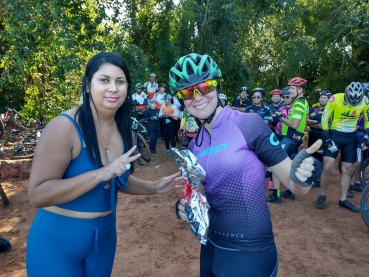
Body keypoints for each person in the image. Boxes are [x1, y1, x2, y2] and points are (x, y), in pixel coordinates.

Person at [26, 52, 183, 277]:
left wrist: (153, 187)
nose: (113, 88)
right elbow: (37, 195)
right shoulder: (64, 127)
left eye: (120, 82)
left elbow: (119, 180)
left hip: (104, 239)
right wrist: (101, 173)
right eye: (104, 80)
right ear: (88, 85)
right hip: (57, 241)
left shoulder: (125, 132)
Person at [169, 53, 322, 277]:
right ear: (182, 99)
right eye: (188, 92)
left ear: (217, 87)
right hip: (211, 246)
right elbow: (200, 196)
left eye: (204, 86)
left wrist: (303, 174)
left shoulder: (249, 124)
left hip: (250, 251)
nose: (198, 96)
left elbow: (296, 188)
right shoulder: (195, 146)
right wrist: (185, 207)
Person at [316, 82, 369, 212]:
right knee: (327, 167)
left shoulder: (365, 100)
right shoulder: (335, 98)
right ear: (346, 94)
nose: (353, 104)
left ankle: (343, 199)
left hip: (350, 137)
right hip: (334, 134)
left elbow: (367, 120)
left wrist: (367, 136)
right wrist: (326, 136)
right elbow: (324, 118)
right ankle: (322, 195)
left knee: (348, 169)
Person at [268, 77, 309, 203]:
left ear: (300, 89)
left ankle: (276, 195)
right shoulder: (303, 102)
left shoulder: (298, 104)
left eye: (292, 88)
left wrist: (280, 118)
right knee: (292, 165)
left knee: (275, 162)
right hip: (295, 138)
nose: (290, 91)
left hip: (291, 137)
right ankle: (290, 193)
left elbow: (294, 124)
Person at [306, 90, 332, 188]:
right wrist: (316, 122)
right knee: (311, 157)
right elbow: (306, 120)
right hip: (312, 137)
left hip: (322, 138)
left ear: (329, 99)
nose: (322, 99)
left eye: (325, 97)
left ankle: (319, 179)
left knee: (320, 159)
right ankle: (312, 177)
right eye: (321, 97)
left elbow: (323, 126)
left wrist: (312, 123)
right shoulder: (314, 109)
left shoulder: (329, 110)